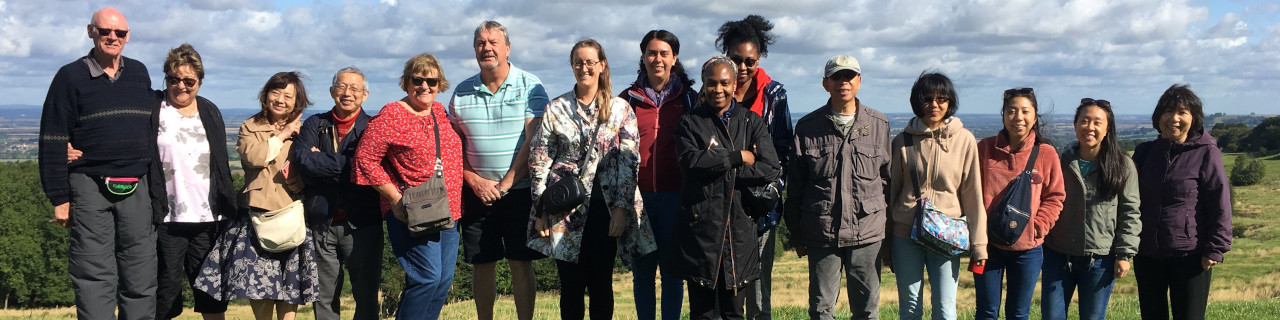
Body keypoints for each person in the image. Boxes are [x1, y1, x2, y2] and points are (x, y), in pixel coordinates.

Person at [38, 7, 158, 319]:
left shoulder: (139, 72)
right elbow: (51, 137)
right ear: (91, 31)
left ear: (128, 36)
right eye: (105, 31)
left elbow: (157, 114)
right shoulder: (70, 76)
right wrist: (59, 198)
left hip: (137, 183)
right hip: (88, 183)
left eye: (119, 33)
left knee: (141, 268)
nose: (112, 37)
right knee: (93, 270)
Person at [527, 39, 657, 320]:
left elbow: (629, 161)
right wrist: (541, 210)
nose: (583, 68)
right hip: (564, 210)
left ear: (602, 65)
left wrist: (622, 209)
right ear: (572, 65)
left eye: (590, 62)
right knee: (571, 287)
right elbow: (540, 160)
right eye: (578, 62)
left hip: (606, 210)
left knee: (601, 285)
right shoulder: (556, 108)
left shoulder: (621, 109)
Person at [194, 72, 319, 320]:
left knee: (289, 288)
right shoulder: (249, 127)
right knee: (259, 289)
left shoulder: (306, 131)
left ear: (297, 102)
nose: (281, 100)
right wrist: (283, 135)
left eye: (288, 96)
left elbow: (316, 165)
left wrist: (304, 179)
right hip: (257, 217)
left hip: (292, 215)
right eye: (276, 93)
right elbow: (254, 158)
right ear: (265, 95)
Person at [447, 20, 550, 320]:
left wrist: (505, 184)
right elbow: (455, 146)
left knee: (520, 261)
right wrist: (475, 181)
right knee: (482, 262)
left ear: (507, 48)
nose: (486, 48)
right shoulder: (462, 91)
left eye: (493, 42)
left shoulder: (531, 86)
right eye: (480, 43)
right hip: (477, 193)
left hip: (518, 192)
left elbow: (534, 143)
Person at [353, 53, 465, 320]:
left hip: (449, 209)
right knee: (426, 277)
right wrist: (394, 197)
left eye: (432, 81)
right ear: (406, 82)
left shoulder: (439, 111)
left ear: (440, 84)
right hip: (413, 209)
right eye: (418, 80)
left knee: (442, 281)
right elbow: (364, 159)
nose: (425, 87)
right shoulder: (391, 115)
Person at [669, 56, 781, 320]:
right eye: (711, 83)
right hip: (701, 231)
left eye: (724, 83)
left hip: (739, 230)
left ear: (733, 85)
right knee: (702, 313)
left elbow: (770, 168)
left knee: (733, 312)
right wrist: (737, 156)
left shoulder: (751, 122)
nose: (717, 89)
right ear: (703, 85)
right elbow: (691, 164)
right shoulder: (689, 123)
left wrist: (715, 166)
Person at [786, 55, 889, 320]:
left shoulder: (879, 124)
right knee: (821, 311)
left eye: (849, 76)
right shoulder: (807, 127)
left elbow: (888, 182)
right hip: (821, 233)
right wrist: (796, 234)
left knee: (867, 311)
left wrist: (888, 234)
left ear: (859, 82)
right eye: (837, 77)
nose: (843, 82)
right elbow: (795, 186)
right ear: (825, 84)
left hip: (867, 234)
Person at [886, 71, 987, 320]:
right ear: (917, 101)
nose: (934, 105)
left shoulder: (964, 140)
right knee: (910, 309)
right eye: (928, 98)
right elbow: (891, 193)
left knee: (945, 310)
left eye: (941, 99)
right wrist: (886, 242)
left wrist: (979, 245)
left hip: (946, 235)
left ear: (950, 102)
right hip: (905, 233)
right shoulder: (902, 141)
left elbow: (973, 195)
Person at [714, 16, 795, 319]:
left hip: (761, 205)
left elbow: (783, 150)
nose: (743, 67)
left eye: (750, 60)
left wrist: (773, 187)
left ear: (759, 58)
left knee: (759, 291)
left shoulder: (774, 95)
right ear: (726, 57)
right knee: (723, 292)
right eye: (736, 60)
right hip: (719, 207)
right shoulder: (712, 92)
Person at [1132, 84, 1232, 320]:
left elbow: (1220, 202)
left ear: (1193, 118)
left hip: (1191, 256)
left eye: (1182, 112)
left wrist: (1216, 248)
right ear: (1158, 117)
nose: (1174, 118)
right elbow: (1129, 201)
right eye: (1168, 111)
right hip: (1147, 254)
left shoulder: (1206, 152)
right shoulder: (1145, 152)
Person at [149, 43, 233, 320]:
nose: (181, 86)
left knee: (212, 294)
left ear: (200, 81)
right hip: (167, 217)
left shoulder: (210, 111)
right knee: (164, 292)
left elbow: (220, 165)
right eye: (174, 79)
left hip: (208, 217)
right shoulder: (154, 109)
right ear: (166, 79)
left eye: (189, 81)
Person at [293, 67, 383, 320]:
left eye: (355, 88)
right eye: (342, 87)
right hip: (322, 221)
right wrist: (347, 164)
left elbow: (364, 166)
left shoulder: (373, 127)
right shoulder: (315, 123)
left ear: (365, 95)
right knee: (323, 299)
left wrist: (320, 160)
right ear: (332, 92)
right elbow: (302, 160)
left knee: (366, 297)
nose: (348, 93)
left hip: (363, 224)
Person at [1041, 98, 1141, 320]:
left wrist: (1124, 254)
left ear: (1107, 129)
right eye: (1084, 121)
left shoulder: (1122, 166)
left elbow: (1130, 213)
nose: (1090, 127)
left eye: (1097, 122)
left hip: (1101, 260)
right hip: (1058, 256)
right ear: (1075, 125)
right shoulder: (1060, 162)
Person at [621, 29, 697, 320]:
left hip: (676, 197)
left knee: (672, 273)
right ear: (643, 57)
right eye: (652, 53)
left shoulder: (689, 100)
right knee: (642, 274)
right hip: (637, 199)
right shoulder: (626, 100)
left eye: (664, 53)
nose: (657, 59)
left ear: (674, 58)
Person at [974, 88, 1065, 320]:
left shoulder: (1046, 154)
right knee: (986, 312)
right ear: (1003, 115)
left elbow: (1055, 196)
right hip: (987, 246)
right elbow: (970, 192)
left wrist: (1039, 225)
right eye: (1011, 111)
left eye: (1025, 111)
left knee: (1018, 313)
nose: (1018, 117)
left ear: (1035, 116)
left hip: (1028, 250)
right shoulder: (984, 148)